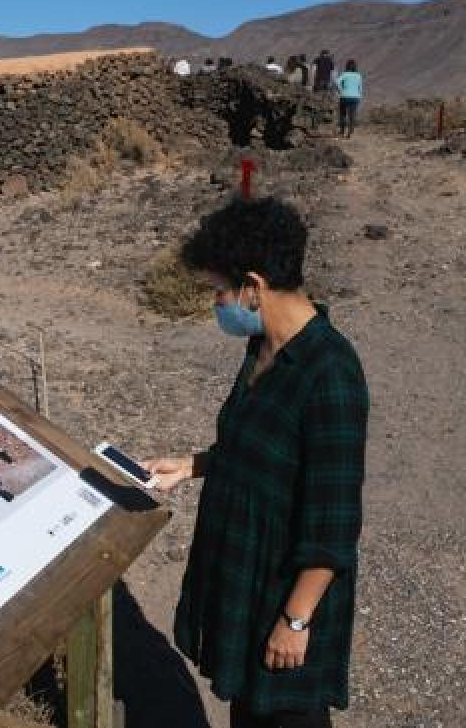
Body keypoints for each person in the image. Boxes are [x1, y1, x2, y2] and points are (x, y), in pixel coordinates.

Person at [143, 196, 368, 728]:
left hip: (284, 591)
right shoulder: (262, 347)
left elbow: (334, 522)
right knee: (247, 712)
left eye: (219, 291)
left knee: (286, 716)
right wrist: (194, 465)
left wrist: (296, 619)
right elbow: (259, 447)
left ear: (253, 286)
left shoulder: (330, 373)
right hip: (245, 575)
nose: (217, 304)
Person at [336, 60, 363, 138]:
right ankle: (350, 131)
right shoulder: (358, 76)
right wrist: (359, 95)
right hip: (355, 97)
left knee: (342, 114)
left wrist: (340, 90)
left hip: (345, 96)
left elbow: (337, 82)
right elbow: (360, 87)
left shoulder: (345, 74)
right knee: (352, 115)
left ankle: (342, 131)